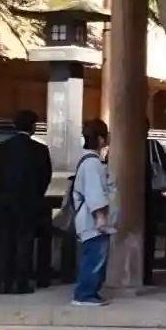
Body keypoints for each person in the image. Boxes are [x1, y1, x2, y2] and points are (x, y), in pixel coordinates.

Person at [0, 110, 52, 295]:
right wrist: (36, 195)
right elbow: (45, 177)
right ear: (33, 127)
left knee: (6, 241)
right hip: (29, 202)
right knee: (25, 242)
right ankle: (21, 283)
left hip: (5, 202)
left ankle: (5, 282)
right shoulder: (40, 150)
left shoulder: (3, 148)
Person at [72, 119, 116, 308]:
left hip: (90, 218)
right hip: (92, 220)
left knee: (94, 255)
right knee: (94, 257)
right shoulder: (92, 163)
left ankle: (90, 292)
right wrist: (101, 217)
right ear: (100, 139)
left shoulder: (89, 161)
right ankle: (84, 294)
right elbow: (94, 192)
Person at [144, 125, 166, 286]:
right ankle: (146, 273)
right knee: (149, 236)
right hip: (152, 195)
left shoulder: (119, 146)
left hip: (129, 197)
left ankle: (131, 271)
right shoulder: (154, 146)